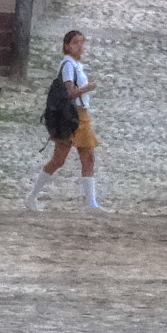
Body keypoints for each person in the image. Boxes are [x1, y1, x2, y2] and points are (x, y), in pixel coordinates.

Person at [23, 30, 111, 212]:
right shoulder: (69, 65)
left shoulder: (75, 65)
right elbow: (70, 91)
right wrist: (88, 88)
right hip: (74, 117)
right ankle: (33, 196)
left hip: (78, 115)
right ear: (67, 46)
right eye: (76, 43)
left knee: (81, 157)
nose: (80, 46)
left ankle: (90, 203)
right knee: (64, 159)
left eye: (82, 42)